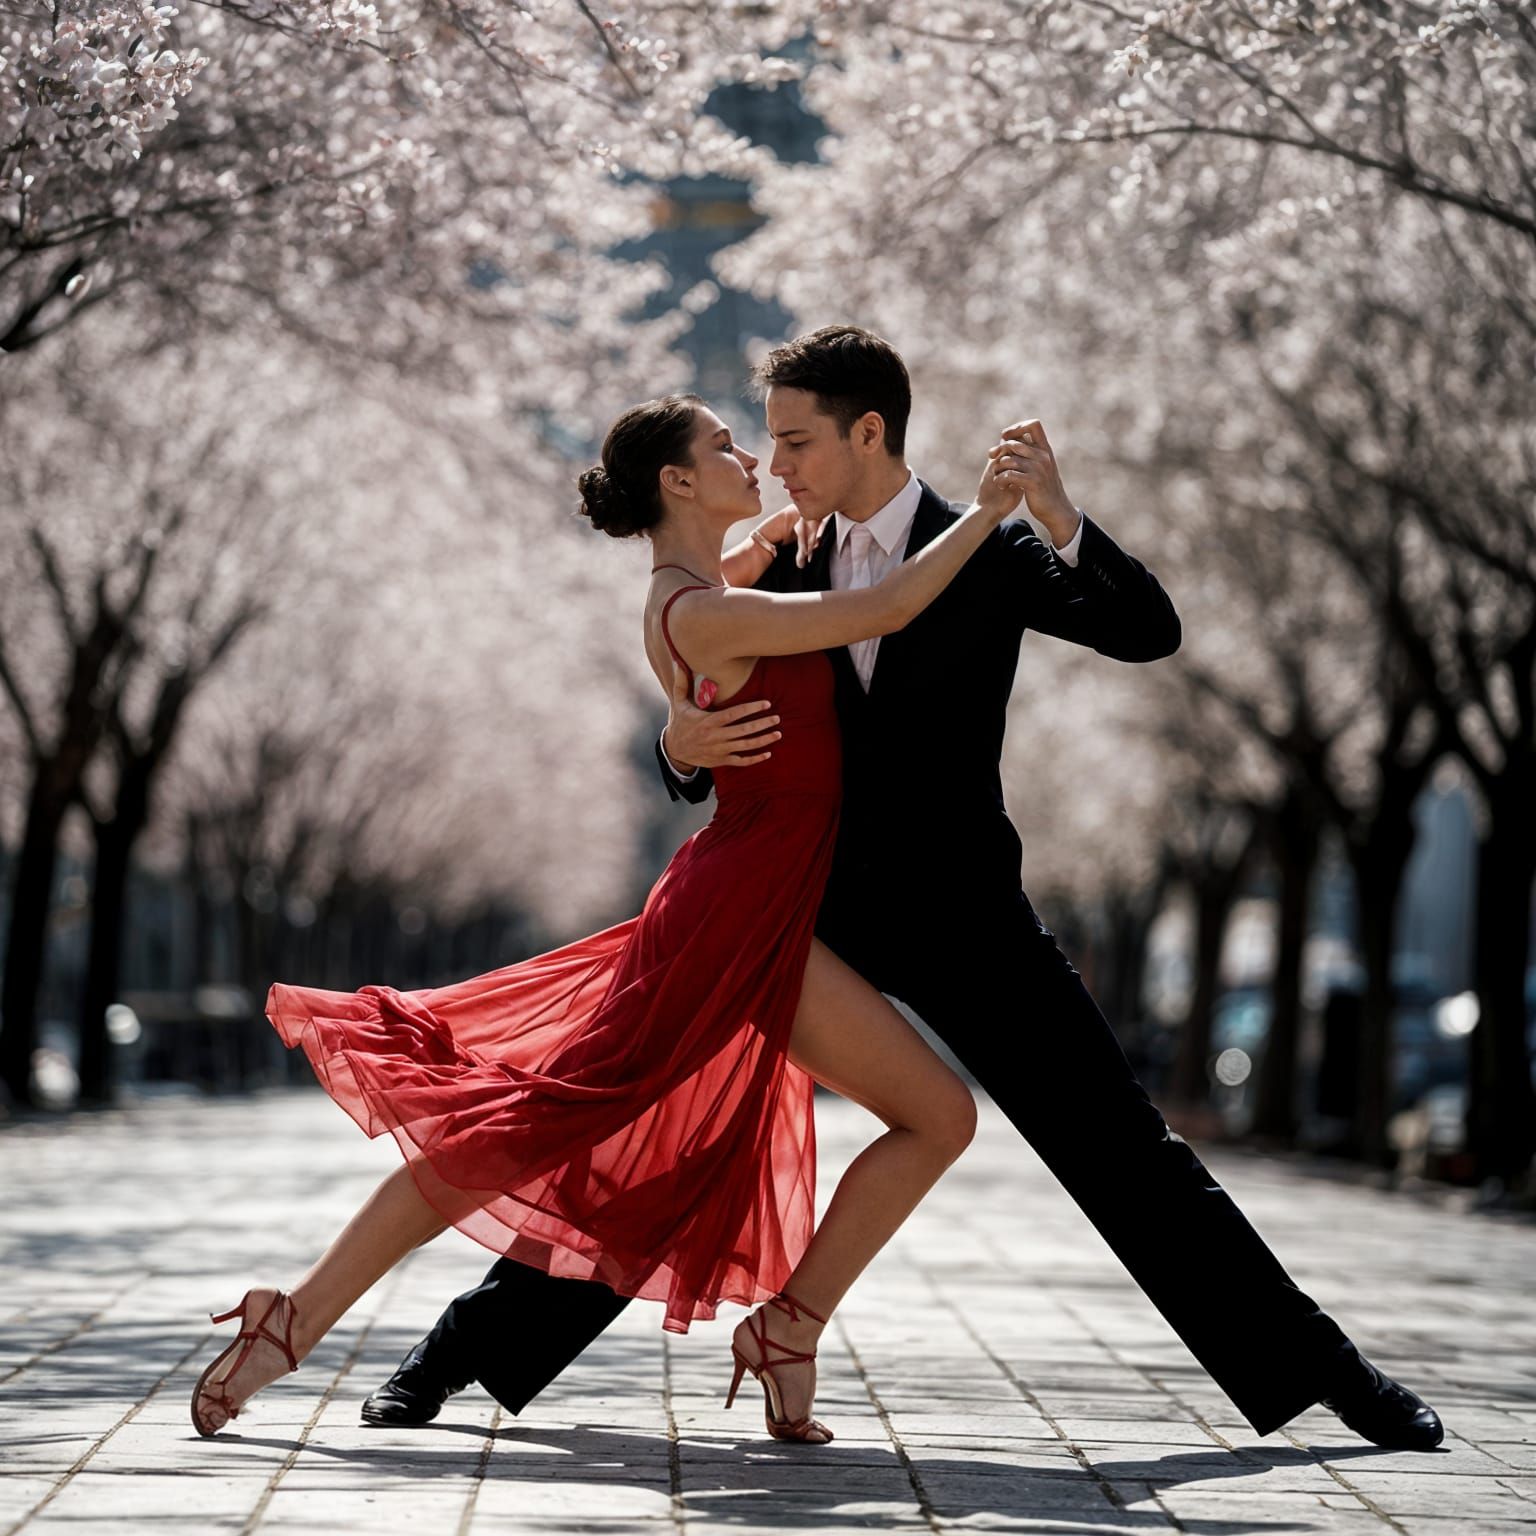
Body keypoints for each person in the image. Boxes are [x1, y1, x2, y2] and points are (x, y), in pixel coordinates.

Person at [360, 326, 1443, 1452]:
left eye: (795, 441)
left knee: (1123, 1147)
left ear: (867, 431)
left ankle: (1331, 1373)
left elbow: (1146, 631)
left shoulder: (983, 549)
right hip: (805, 910)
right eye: (766, 443)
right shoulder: (779, 558)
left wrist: (1060, 515)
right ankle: (455, 1356)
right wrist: (681, 746)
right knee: (665, 1126)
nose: (776, 467)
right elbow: (696, 704)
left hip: (968, 911)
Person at [188, 390, 1035, 1444]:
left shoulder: (705, 588)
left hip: (763, 908)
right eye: (727, 447)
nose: (752, 455)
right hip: (732, 913)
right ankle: (295, 1320)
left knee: (935, 1116)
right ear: (678, 482)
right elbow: (890, 606)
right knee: (521, 1128)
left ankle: (791, 1327)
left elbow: (761, 584)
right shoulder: (704, 610)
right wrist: (991, 507)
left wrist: (769, 543)